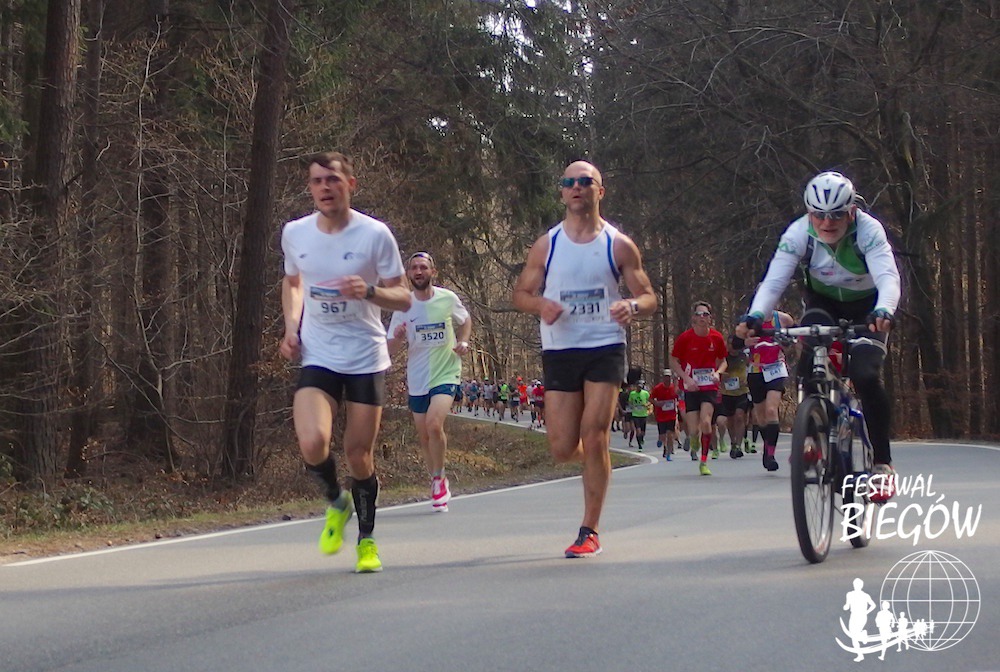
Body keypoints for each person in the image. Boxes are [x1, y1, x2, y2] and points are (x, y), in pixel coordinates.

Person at [513, 159, 656, 558]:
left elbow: (649, 296)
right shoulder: (548, 244)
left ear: (600, 191)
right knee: (562, 447)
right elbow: (520, 294)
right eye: (569, 182)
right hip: (561, 348)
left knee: (594, 434)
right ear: (562, 192)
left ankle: (589, 529)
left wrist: (632, 306)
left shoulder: (618, 244)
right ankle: (597, 459)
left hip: (605, 346)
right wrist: (539, 305)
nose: (576, 187)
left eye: (585, 181)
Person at [280, 151, 411, 574]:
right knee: (312, 442)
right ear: (310, 188)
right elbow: (293, 282)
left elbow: (403, 297)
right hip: (319, 353)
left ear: (350, 185)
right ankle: (337, 502)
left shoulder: (374, 235)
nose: (325, 187)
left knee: (358, 454)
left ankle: (367, 541)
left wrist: (369, 291)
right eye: (317, 181)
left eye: (333, 180)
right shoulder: (295, 233)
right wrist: (291, 327)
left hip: (365, 356)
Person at [736, 171, 901, 501]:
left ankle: (882, 464)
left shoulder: (868, 230)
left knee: (866, 376)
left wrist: (884, 310)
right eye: (818, 215)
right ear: (809, 213)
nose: (827, 223)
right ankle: (812, 436)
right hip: (822, 305)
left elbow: (887, 276)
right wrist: (755, 316)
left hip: (867, 309)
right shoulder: (799, 232)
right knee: (810, 359)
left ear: (851, 211)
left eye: (836, 214)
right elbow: (774, 280)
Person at [387, 251, 471, 513]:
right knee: (424, 435)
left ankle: (438, 479)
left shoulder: (447, 298)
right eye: (414, 268)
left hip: (446, 371)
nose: (419, 271)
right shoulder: (403, 306)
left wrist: (463, 341)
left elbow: (465, 320)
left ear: (433, 272)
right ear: (409, 274)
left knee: (434, 424)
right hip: (418, 376)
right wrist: (398, 337)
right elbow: (389, 349)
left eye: (423, 267)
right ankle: (437, 477)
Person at [671, 301, 728, 476]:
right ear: (694, 318)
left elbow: (723, 361)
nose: (702, 317)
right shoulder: (685, 338)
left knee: (706, 422)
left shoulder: (717, 337)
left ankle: (703, 461)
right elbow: (673, 361)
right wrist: (686, 378)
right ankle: (694, 439)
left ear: (710, 318)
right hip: (691, 387)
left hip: (709, 385)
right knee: (694, 429)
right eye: (699, 314)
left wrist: (718, 373)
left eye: (706, 314)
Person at [743, 309, 795, 471]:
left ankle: (770, 454)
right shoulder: (749, 320)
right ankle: (768, 445)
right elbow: (736, 342)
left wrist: (787, 345)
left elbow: (796, 339)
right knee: (761, 417)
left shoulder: (784, 319)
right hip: (756, 370)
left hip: (776, 368)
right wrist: (744, 342)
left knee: (771, 410)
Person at [717, 337, 750, 460]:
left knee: (740, 417)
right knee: (730, 421)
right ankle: (733, 442)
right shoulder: (723, 357)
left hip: (742, 392)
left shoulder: (744, 356)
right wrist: (722, 377)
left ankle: (739, 446)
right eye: (729, 344)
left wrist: (748, 380)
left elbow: (751, 367)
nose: (731, 346)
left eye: (732, 344)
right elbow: (717, 371)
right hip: (727, 393)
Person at [650, 369, 680, 460]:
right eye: (666, 377)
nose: (667, 379)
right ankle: (661, 441)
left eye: (669, 377)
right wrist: (657, 403)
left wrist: (677, 403)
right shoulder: (658, 388)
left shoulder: (674, 388)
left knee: (670, 435)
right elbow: (650, 399)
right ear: (663, 378)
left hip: (671, 415)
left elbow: (679, 398)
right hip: (661, 416)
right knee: (663, 436)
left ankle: (668, 453)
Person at [627, 380, 651, 452]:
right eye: (638, 387)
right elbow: (630, 402)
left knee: (643, 432)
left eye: (640, 387)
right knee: (638, 431)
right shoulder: (632, 394)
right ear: (636, 387)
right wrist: (632, 406)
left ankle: (641, 438)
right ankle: (639, 446)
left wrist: (646, 405)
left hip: (643, 414)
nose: (639, 388)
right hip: (635, 414)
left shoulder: (645, 393)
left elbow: (650, 401)